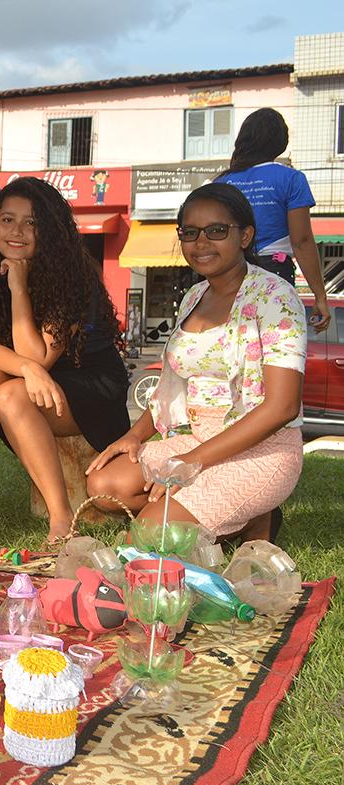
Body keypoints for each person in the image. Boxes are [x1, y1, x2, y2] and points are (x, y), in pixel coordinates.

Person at [86, 183, 306, 542]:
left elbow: (282, 407)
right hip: (201, 441)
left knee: (147, 537)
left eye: (217, 230)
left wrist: (193, 462)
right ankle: (245, 519)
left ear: (245, 235)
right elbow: (174, 382)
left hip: (262, 450)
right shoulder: (194, 296)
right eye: (190, 232)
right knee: (105, 484)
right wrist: (134, 435)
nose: (201, 243)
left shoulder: (276, 297)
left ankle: (250, 512)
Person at [0, 177, 129, 546]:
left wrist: (18, 287)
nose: (16, 231)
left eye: (31, 222)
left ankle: (61, 515)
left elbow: (38, 354)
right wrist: (29, 370)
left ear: (49, 229)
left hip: (91, 385)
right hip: (38, 379)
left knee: (9, 396)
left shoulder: (72, 276)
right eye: (7, 220)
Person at [215, 108, 331, 333]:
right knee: (275, 344)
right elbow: (302, 241)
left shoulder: (221, 183)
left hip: (227, 274)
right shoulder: (291, 179)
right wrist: (320, 296)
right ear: (281, 142)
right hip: (274, 271)